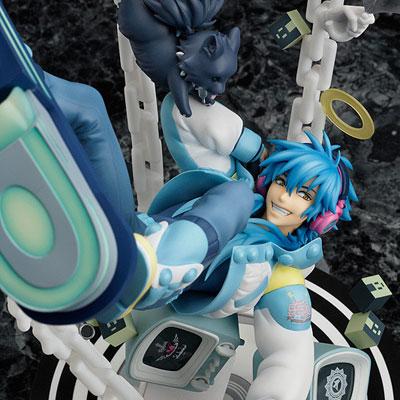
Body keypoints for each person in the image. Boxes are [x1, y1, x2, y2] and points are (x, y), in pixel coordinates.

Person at [1, 73, 356, 399]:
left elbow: (288, 359)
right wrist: (254, 149)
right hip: (134, 239)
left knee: (233, 199)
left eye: (303, 195)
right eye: (282, 182)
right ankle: (17, 77)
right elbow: (182, 115)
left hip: (140, 288)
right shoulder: (239, 187)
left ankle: (157, 268)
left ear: (321, 216)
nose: (284, 198)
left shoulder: (283, 279)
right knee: (89, 108)